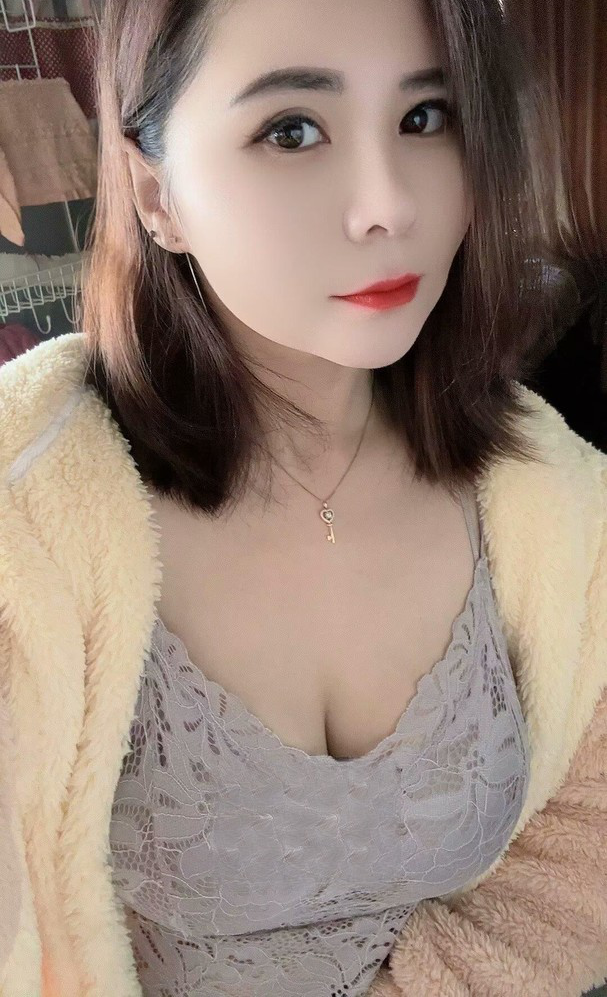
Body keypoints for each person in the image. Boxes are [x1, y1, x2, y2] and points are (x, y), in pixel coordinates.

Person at [0, 0, 606, 995]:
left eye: (424, 117)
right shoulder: (25, 521)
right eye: (291, 130)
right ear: (156, 194)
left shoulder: (554, 496)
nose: (386, 205)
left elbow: (579, 848)